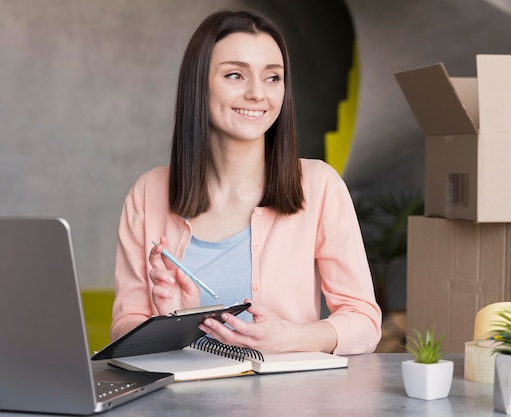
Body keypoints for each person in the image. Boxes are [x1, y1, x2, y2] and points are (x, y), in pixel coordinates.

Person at [110, 9, 382, 355]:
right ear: (198, 84)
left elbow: (364, 323)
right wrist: (173, 323)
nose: (257, 93)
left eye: (272, 78)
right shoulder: (148, 192)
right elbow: (123, 326)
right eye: (236, 75)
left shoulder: (319, 185)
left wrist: (289, 338)